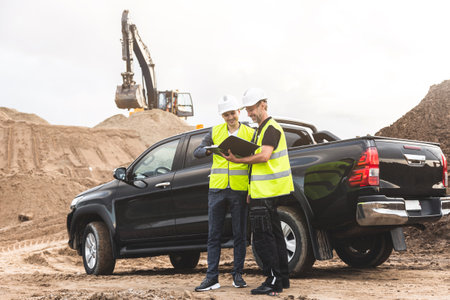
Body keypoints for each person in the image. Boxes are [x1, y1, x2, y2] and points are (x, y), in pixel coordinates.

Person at [222, 88, 294, 296]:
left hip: (266, 192)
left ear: (263, 105)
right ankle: (281, 279)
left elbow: (264, 157)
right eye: (247, 109)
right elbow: (261, 165)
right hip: (263, 191)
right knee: (274, 235)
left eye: (252, 109)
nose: (249, 113)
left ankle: (272, 280)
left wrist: (238, 160)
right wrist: (251, 189)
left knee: (263, 239)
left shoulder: (270, 128)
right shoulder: (263, 129)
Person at [193, 95, 255, 292]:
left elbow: (255, 164)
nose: (230, 117)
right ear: (222, 115)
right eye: (226, 114)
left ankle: (237, 275)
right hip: (217, 189)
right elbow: (197, 151)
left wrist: (251, 189)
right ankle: (212, 278)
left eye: (232, 113)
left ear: (239, 112)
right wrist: (209, 151)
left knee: (239, 235)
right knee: (213, 235)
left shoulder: (250, 133)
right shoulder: (215, 131)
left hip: (239, 189)